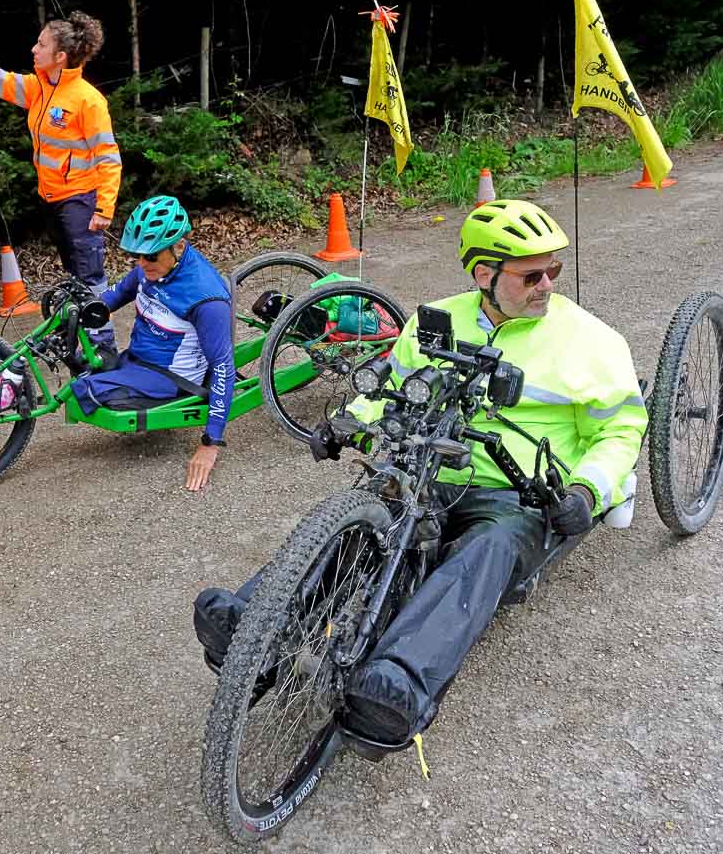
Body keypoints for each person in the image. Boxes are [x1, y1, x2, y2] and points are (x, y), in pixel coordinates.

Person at [194, 199, 647, 743]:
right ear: (485, 274)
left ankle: (399, 681)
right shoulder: (435, 320)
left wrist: (587, 490)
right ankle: (254, 625)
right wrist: (348, 421)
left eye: (554, 270)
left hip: (514, 492)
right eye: (532, 274)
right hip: (427, 465)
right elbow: (393, 390)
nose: (547, 284)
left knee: (486, 551)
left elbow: (621, 431)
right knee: (369, 520)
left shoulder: (592, 342)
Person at [0, 11, 122, 356]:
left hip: (80, 201)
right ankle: (85, 343)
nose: (34, 49)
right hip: (54, 200)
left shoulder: (87, 99)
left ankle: (103, 348)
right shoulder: (39, 89)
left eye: (42, 44)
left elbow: (108, 155)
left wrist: (104, 207)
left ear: (60, 57)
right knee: (76, 278)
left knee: (91, 278)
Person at [70, 195, 235, 492]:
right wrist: (88, 313)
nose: (142, 263)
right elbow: (120, 292)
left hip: (170, 378)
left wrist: (211, 442)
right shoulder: (154, 266)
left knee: (84, 391)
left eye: (151, 256)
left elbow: (223, 367)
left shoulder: (206, 298)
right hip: (139, 359)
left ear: (179, 246)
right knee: (82, 363)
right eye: (138, 256)